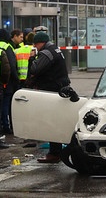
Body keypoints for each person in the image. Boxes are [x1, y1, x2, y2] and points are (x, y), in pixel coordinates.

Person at [26, 32, 71, 163]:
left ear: (41, 42)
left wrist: (32, 59)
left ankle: (54, 153)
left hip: (52, 90)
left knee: (52, 122)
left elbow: (35, 69)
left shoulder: (46, 52)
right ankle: (57, 151)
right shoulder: (55, 49)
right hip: (60, 88)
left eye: (36, 44)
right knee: (57, 121)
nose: (35, 46)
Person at [0, 28, 19, 134]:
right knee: (6, 104)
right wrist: (16, 79)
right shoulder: (7, 47)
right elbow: (11, 65)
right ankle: (6, 126)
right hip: (7, 81)